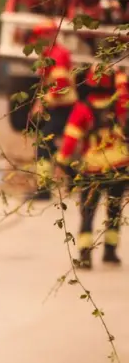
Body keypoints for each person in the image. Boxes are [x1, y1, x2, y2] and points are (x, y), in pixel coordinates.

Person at [55, 67, 129, 268]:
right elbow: (124, 90)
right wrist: (120, 74)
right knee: (114, 210)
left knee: (88, 212)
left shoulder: (82, 108)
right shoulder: (119, 104)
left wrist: (61, 162)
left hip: (92, 169)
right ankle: (110, 252)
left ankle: (85, 255)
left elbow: (70, 140)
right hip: (118, 167)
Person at [26, 22, 77, 200]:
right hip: (57, 105)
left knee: (44, 144)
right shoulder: (49, 54)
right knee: (50, 144)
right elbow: (46, 82)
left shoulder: (58, 55)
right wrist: (38, 102)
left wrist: (43, 102)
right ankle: (73, 175)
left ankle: (44, 189)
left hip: (63, 106)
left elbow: (60, 85)